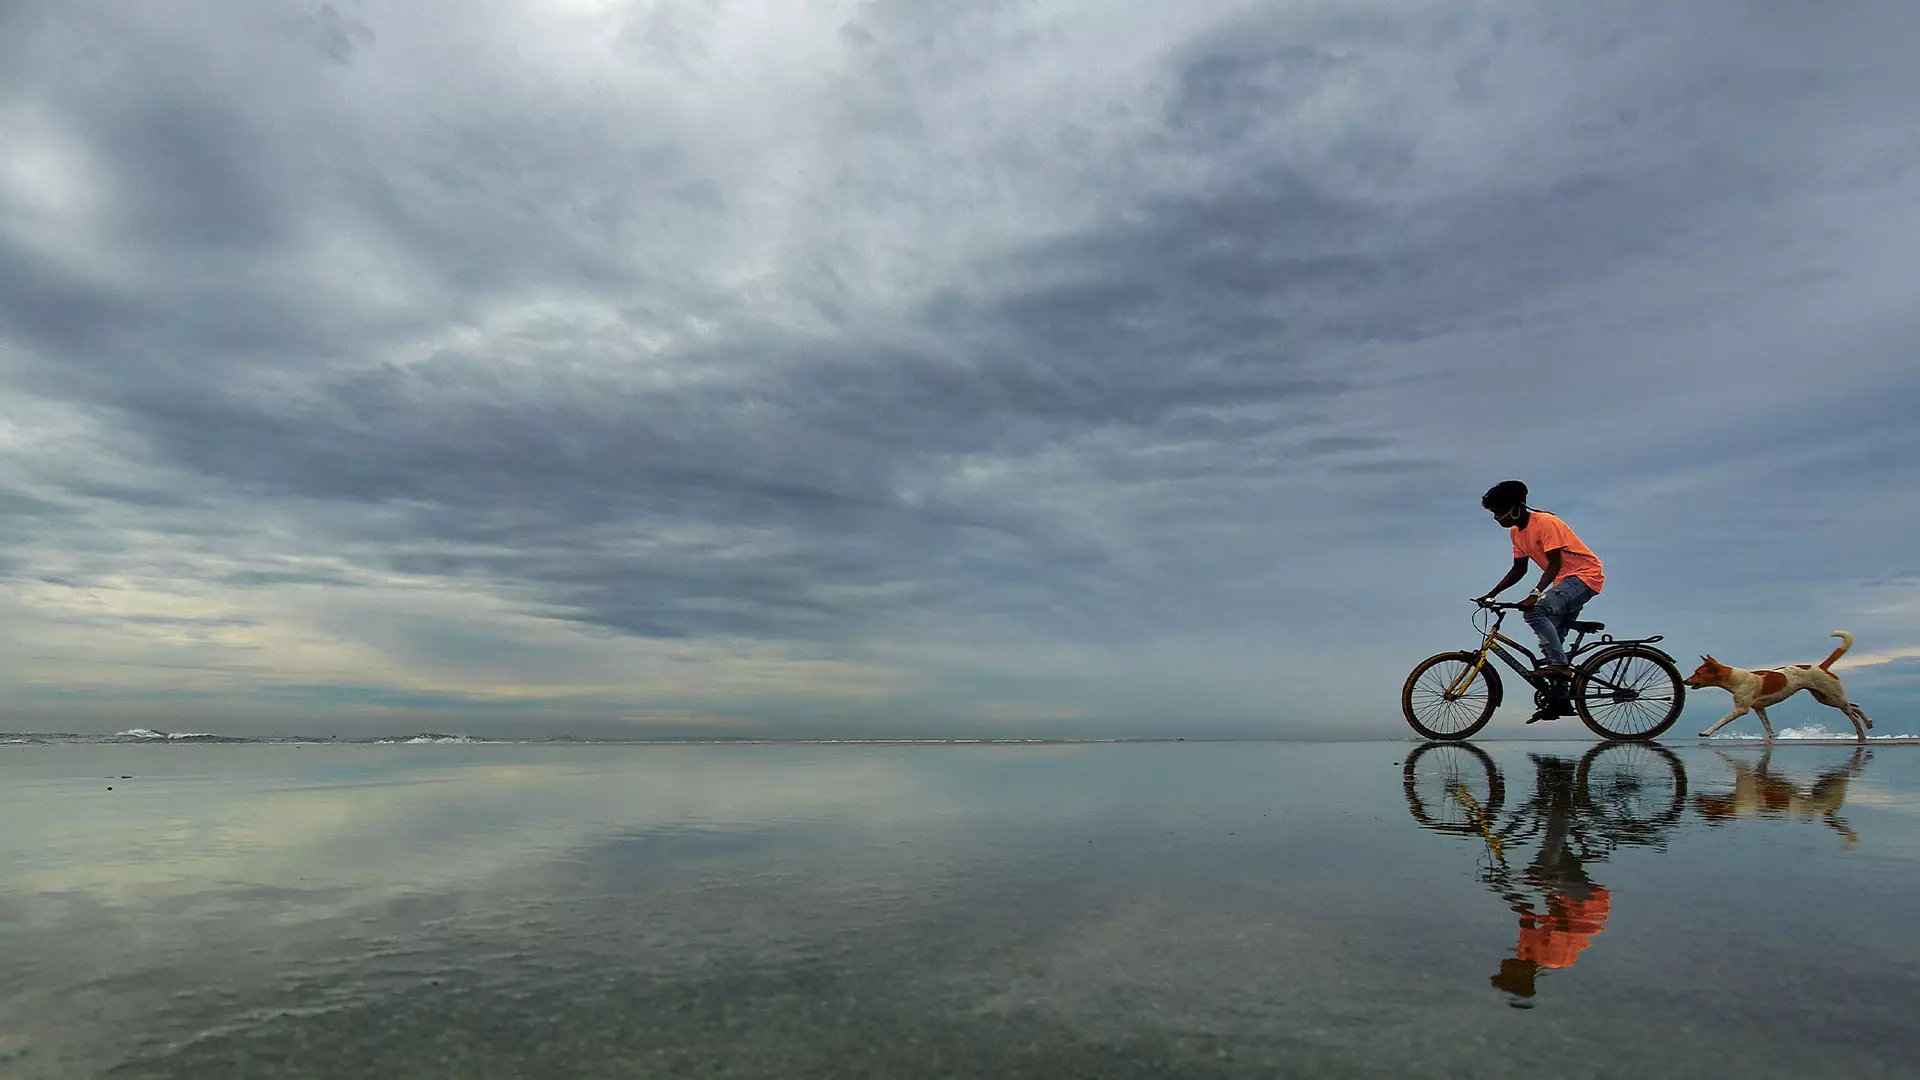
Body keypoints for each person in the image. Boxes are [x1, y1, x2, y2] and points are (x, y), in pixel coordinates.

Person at [1474, 480, 1606, 723]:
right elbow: (1518, 569)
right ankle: (1559, 702)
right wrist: (1492, 594)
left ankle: (1561, 666)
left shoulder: (1546, 523)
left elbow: (1554, 563)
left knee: (1535, 612)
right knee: (1551, 642)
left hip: (1584, 577)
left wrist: (1535, 595)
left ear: (1516, 507)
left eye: (1498, 511)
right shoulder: (1517, 533)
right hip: (1563, 583)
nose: (1496, 518)